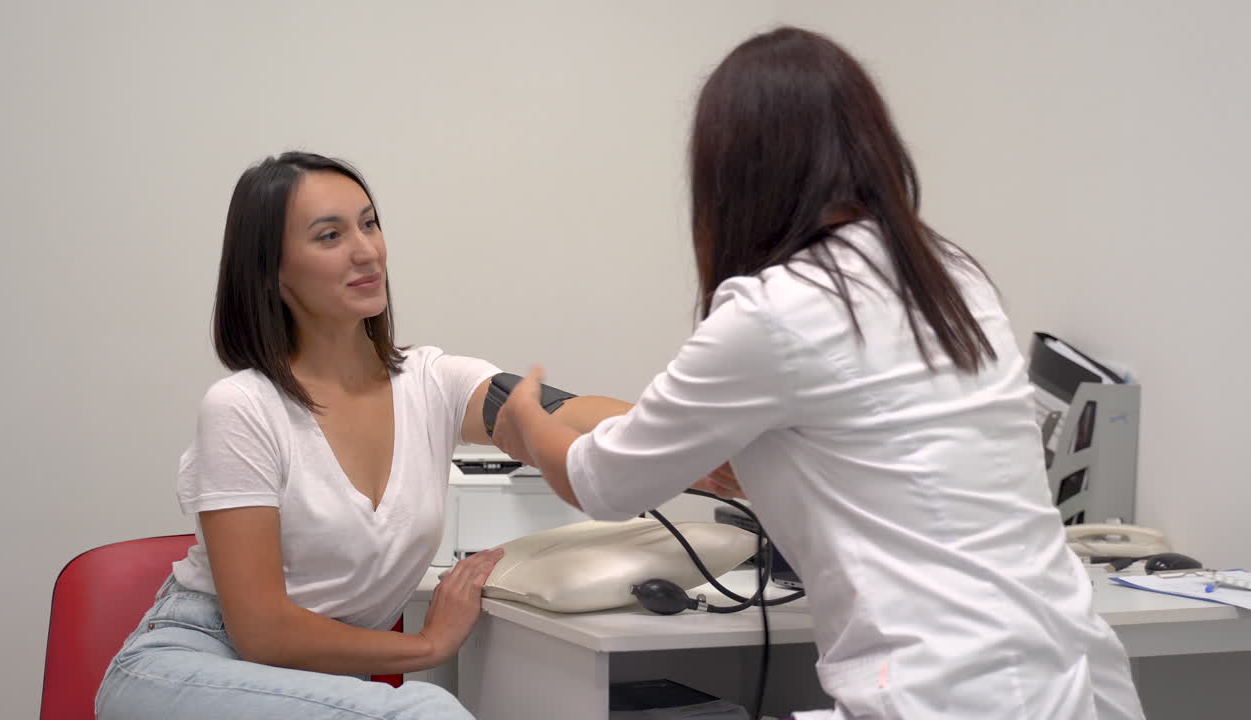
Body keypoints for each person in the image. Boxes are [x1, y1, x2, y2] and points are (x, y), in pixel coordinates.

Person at [490, 27, 1146, 720]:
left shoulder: (775, 310)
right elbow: (883, 450)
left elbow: (602, 479)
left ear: (733, 172)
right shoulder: (949, 274)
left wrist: (526, 418)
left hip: (950, 691)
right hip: (1073, 674)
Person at [95, 152, 628, 719]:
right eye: (329, 235)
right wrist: (426, 646)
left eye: (369, 223)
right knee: (426, 711)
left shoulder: (431, 382)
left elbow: (554, 413)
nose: (366, 249)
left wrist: (692, 442)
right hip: (186, 665)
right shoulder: (244, 407)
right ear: (271, 271)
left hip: (313, 691)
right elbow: (262, 633)